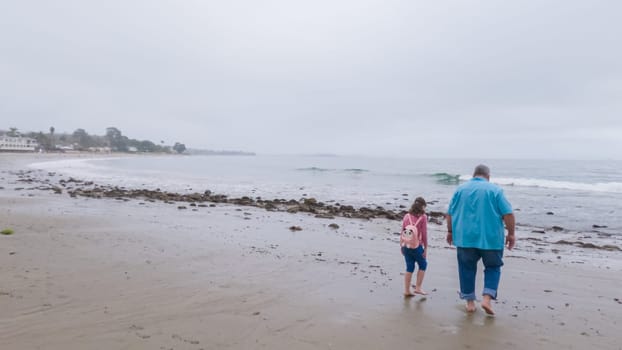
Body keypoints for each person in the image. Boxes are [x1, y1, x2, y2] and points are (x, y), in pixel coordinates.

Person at [446, 164, 515, 315]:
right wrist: (511, 234)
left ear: (474, 175)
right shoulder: (495, 190)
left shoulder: (460, 190)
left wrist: (450, 231)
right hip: (491, 239)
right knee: (493, 267)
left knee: (466, 268)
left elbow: (450, 213)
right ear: (488, 176)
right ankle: (486, 299)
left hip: (465, 238)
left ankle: (470, 303)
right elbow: (508, 214)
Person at [400, 197, 429, 297]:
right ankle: (418, 287)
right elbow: (424, 234)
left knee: (409, 267)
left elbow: (402, 231)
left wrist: (401, 246)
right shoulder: (423, 217)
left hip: (406, 245)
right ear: (422, 206)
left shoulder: (406, 216)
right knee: (423, 264)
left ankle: (407, 290)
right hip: (416, 246)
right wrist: (425, 248)